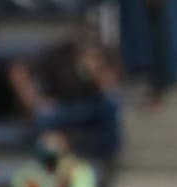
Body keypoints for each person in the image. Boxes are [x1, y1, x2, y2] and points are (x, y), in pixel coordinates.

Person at [8, 24, 123, 160]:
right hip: (61, 107)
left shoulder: (104, 54)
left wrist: (97, 72)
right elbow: (19, 70)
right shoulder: (59, 53)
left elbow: (109, 88)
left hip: (91, 105)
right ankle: (55, 150)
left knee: (111, 106)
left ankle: (84, 149)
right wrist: (34, 99)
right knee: (43, 117)